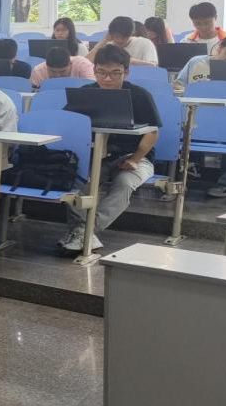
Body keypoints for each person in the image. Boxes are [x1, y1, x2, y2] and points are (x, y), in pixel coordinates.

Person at [57, 44, 160, 254]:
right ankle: (83, 233)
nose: (107, 79)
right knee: (74, 182)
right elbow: (69, 124)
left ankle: (85, 231)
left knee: (124, 183)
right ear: (94, 70)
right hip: (96, 156)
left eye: (115, 73)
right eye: (101, 72)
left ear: (126, 72)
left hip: (136, 157)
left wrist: (135, 159)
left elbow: (152, 133)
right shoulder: (86, 94)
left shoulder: (140, 96)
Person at [89, 16, 158, 67]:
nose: (120, 40)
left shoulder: (145, 43)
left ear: (132, 33)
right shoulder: (108, 45)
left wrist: (129, 61)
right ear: (111, 34)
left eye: (124, 37)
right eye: (116, 36)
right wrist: (104, 40)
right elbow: (86, 63)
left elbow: (153, 66)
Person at [30, 47, 95, 87]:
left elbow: (93, 88)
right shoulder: (38, 71)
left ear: (70, 64)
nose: (58, 76)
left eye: (62, 71)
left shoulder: (83, 65)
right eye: (53, 71)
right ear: (46, 66)